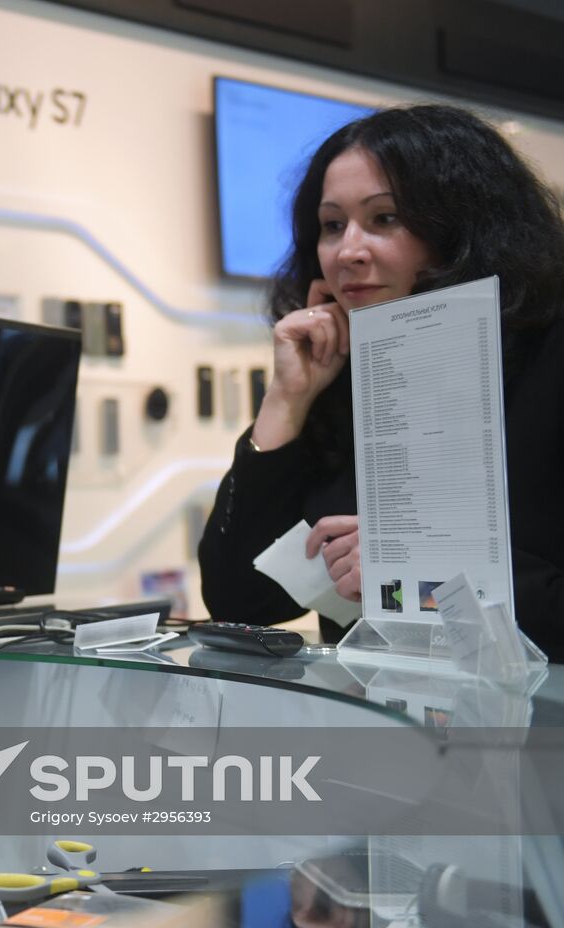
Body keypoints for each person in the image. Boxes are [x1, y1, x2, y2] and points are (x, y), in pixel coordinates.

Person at [199, 104, 564, 658]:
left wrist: (427, 577)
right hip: (385, 727)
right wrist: (287, 400)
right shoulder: (342, 383)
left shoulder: (548, 353)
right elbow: (240, 602)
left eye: (384, 218)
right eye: (331, 225)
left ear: (462, 224)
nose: (348, 251)